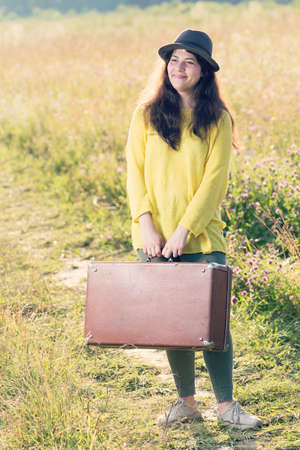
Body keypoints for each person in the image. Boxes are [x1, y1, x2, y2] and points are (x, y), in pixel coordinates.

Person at [125, 29, 262, 429]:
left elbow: (215, 180)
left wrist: (184, 230)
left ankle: (226, 406)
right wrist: (146, 225)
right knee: (172, 322)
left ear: (203, 71)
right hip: (152, 236)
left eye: (189, 62)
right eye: (173, 60)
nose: (178, 68)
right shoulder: (145, 114)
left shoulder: (217, 117)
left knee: (212, 322)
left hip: (200, 236)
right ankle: (185, 402)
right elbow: (135, 174)